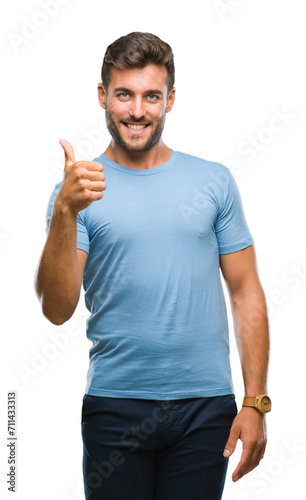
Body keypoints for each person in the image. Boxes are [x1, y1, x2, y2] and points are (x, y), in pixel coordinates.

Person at [35, 31, 271, 500]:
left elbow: (246, 292)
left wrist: (255, 403)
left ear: (170, 100)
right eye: (124, 94)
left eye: (151, 96)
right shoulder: (78, 192)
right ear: (103, 96)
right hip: (115, 406)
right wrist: (65, 212)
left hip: (206, 409)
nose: (137, 111)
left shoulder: (213, 181)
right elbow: (57, 309)